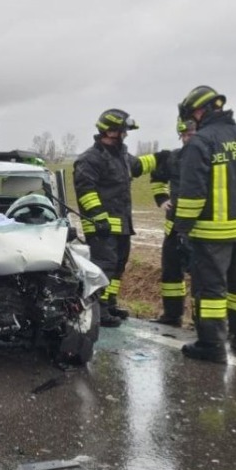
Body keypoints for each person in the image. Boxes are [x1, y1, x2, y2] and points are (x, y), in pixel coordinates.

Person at [172, 85, 236, 363]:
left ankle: (211, 345)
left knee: (210, 291)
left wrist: (182, 228)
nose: (191, 122)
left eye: (192, 116)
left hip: (211, 235)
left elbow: (191, 195)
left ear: (200, 111)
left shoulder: (201, 143)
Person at [73, 109, 160, 328]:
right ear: (112, 132)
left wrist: (163, 158)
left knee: (119, 265)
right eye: (123, 132)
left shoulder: (121, 155)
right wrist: (98, 218)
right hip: (102, 226)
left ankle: (109, 303)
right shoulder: (90, 159)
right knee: (104, 266)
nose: (126, 135)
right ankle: (97, 309)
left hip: (121, 224)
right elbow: (86, 191)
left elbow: (138, 166)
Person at [149, 119, 198, 327]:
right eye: (185, 135)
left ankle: (202, 320)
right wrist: (162, 199)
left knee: (201, 279)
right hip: (173, 230)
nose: (188, 138)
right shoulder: (174, 157)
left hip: (199, 231)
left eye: (192, 135)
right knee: (171, 275)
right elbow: (157, 177)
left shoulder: (211, 158)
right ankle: (172, 315)